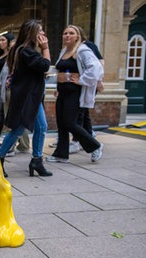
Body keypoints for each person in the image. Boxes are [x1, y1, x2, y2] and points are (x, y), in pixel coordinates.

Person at [0, 19, 52, 177]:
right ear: (32, 33)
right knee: (19, 129)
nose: (43, 34)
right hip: (27, 97)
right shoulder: (25, 51)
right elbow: (45, 65)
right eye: (40, 31)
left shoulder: (24, 50)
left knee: (41, 127)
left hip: (32, 96)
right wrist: (46, 48)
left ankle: (36, 160)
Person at [47, 25, 104, 164]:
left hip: (75, 92)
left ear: (77, 36)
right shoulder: (64, 51)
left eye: (71, 33)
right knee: (61, 123)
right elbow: (61, 71)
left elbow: (96, 67)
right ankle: (61, 154)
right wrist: (58, 87)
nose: (67, 35)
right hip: (63, 91)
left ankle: (95, 145)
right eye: (65, 33)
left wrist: (82, 80)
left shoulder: (82, 50)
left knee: (70, 123)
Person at [0, 33, 30, 154]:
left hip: (12, 91)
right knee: (6, 116)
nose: (0, 43)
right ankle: (16, 143)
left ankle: (14, 144)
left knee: (12, 118)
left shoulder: (13, 55)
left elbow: (7, 76)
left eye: (3, 40)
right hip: (4, 90)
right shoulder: (0, 56)